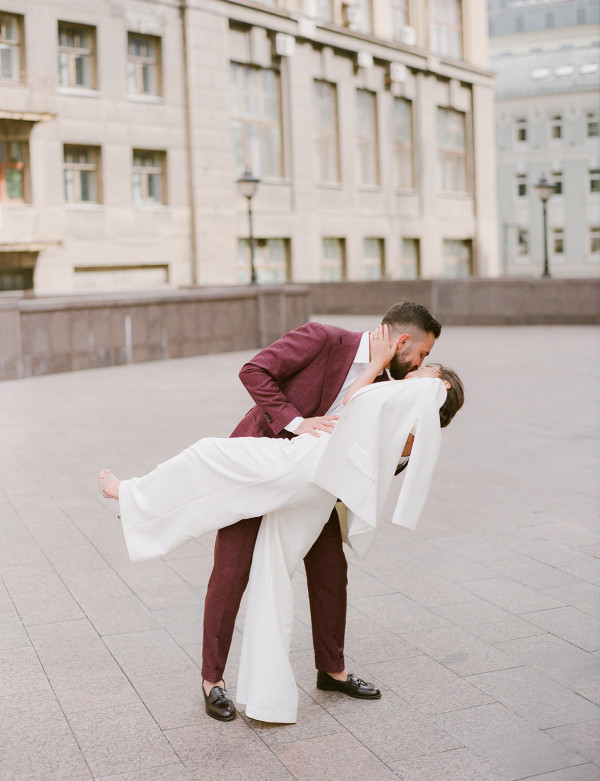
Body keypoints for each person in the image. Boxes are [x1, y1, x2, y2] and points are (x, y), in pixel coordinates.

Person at [98, 302, 455, 720]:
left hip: (316, 487)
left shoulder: (393, 384)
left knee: (329, 574)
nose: (422, 363)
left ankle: (332, 671)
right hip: (262, 467)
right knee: (231, 574)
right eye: (423, 355)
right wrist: (296, 420)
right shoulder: (323, 338)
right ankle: (212, 681)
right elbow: (253, 371)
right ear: (403, 341)